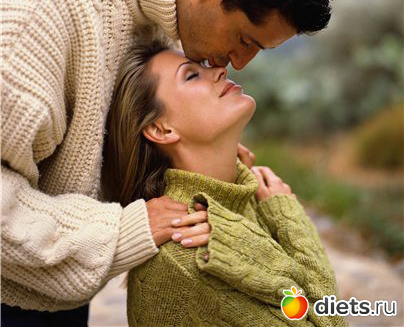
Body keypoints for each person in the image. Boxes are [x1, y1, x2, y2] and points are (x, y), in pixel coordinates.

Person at [1, 0, 336, 321]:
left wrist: (211, 162)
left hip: (55, 281)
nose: (238, 64)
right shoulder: (38, 11)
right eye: (244, 40)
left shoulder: (164, 9)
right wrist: (124, 230)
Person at [102, 30, 346, 326]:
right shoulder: (187, 251)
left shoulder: (244, 198)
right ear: (161, 130)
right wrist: (286, 215)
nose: (220, 70)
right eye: (192, 76)